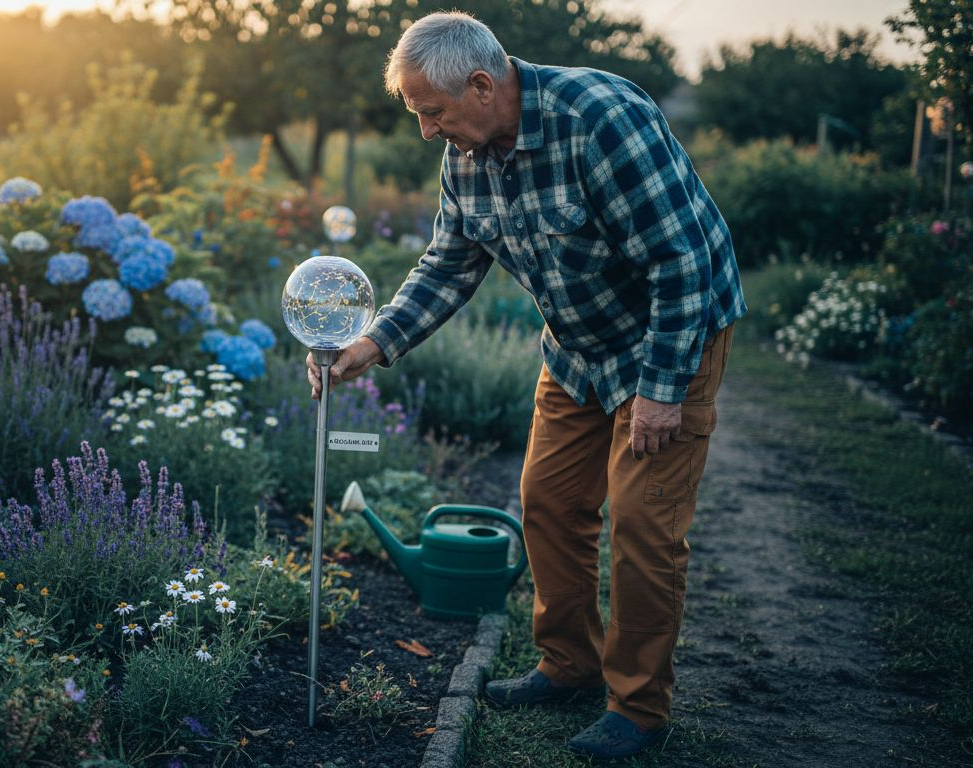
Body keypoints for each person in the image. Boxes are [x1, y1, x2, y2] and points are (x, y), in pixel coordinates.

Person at [306, 11, 746, 760]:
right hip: (577, 349)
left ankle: (638, 708)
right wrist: (371, 345)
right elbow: (447, 265)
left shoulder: (600, 119)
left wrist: (662, 390)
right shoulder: (467, 156)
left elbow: (681, 262)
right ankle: (569, 665)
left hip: (671, 337)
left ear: (481, 85)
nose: (425, 130)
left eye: (431, 112)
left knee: (642, 524)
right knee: (547, 502)